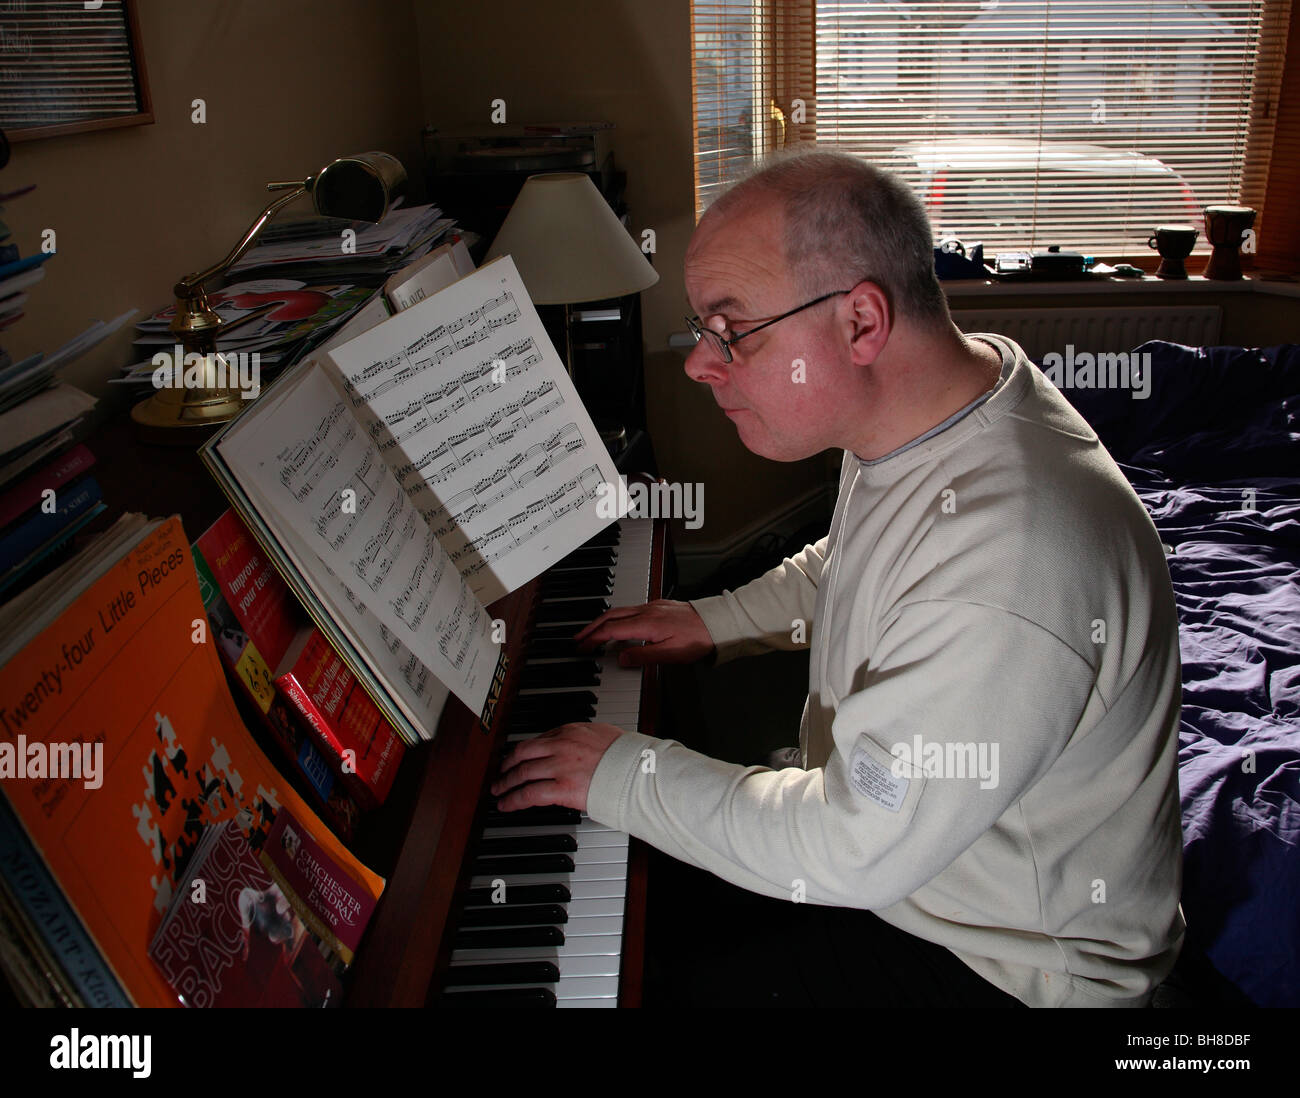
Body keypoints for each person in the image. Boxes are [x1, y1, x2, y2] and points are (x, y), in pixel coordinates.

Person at [490, 147, 1185, 1007]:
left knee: (646, 965)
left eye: (730, 329)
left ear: (861, 323)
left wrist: (624, 773)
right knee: (648, 889)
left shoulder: (1009, 562)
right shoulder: (936, 410)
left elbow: (853, 846)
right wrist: (717, 619)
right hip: (908, 864)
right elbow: (856, 561)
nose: (699, 364)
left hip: (1002, 964)